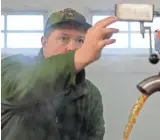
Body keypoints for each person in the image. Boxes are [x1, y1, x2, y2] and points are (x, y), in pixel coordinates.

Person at [1, 8, 119, 140]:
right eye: (63, 38)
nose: (72, 47)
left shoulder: (90, 93)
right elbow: (24, 86)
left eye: (80, 40)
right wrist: (79, 56)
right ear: (44, 43)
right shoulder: (12, 67)